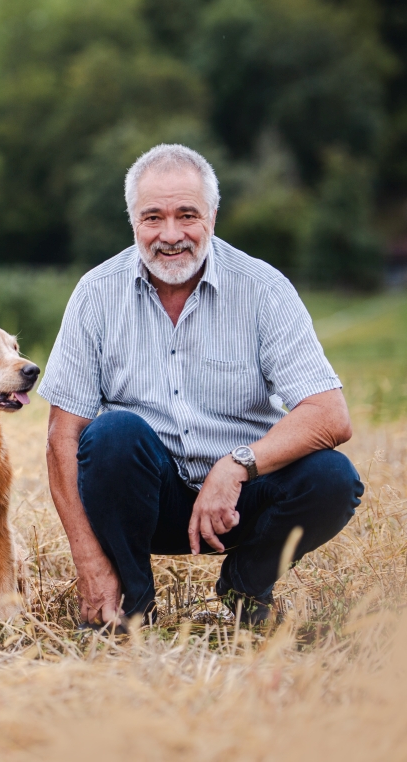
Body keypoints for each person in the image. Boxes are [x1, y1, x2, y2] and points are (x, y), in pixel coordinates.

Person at [39, 144, 362, 628]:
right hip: (144, 503)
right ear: (132, 221)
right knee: (112, 435)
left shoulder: (263, 289)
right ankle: (130, 604)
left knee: (333, 479)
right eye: (153, 218)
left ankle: (245, 587)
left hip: (240, 503)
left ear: (212, 214)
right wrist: (89, 560)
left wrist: (237, 466)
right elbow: (61, 437)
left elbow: (329, 414)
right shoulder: (95, 294)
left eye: (187, 215)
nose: (171, 235)